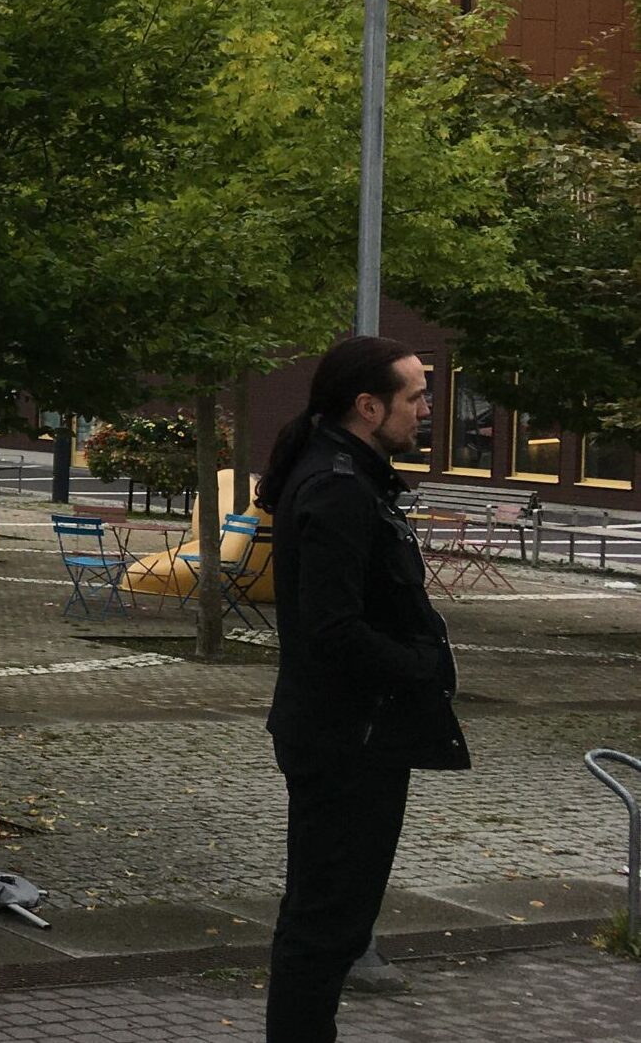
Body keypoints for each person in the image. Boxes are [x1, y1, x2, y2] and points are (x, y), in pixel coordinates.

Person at [254, 336, 467, 1042]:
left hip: (353, 732)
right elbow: (331, 629)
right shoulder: (339, 487)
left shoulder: (350, 476)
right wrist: (423, 666)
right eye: (414, 396)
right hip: (346, 738)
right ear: (368, 407)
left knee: (332, 921)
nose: (426, 409)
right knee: (325, 926)